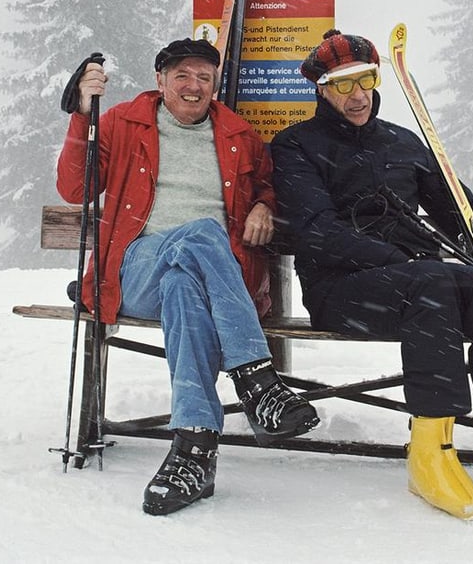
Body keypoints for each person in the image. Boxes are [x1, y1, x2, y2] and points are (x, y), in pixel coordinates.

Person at [270, 29, 473, 521]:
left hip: (413, 282)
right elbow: (316, 233)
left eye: (365, 80)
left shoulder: (403, 144)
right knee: (433, 285)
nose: (358, 95)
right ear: (321, 89)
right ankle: (430, 450)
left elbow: (464, 213)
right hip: (341, 289)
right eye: (343, 85)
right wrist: (400, 262)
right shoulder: (296, 146)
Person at [56, 39, 318, 516]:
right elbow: (75, 188)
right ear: (161, 81)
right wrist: (82, 114)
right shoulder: (123, 123)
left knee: (184, 286)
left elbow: (268, 189)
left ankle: (193, 451)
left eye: (203, 77)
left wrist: (264, 205)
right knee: (199, 235)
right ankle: (257, 380)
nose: (193, 86)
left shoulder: (240, 135)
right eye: (182, 76)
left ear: (215, 84)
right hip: (133, 272)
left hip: (207, 283)